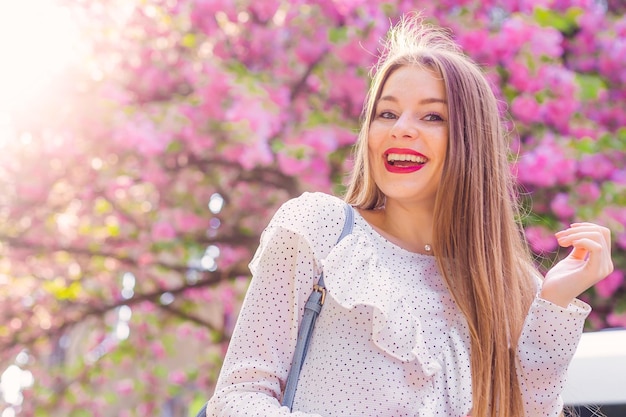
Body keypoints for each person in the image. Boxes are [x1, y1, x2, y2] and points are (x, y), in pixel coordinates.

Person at [204, 13, 613, 417]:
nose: (401, 128)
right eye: (386, 113)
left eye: (432, 116)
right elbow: (239, 398)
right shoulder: (322, 230)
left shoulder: (510, 285)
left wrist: (555, 299)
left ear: (472, 143)